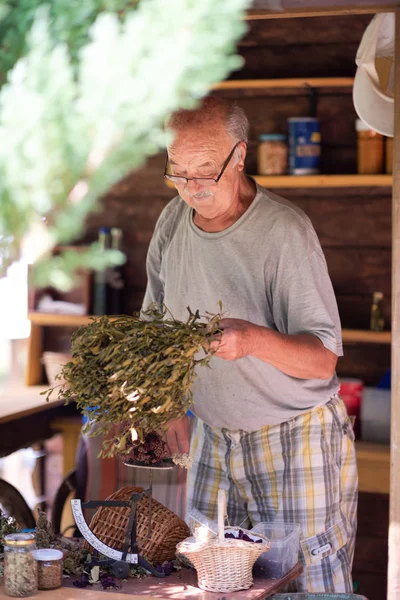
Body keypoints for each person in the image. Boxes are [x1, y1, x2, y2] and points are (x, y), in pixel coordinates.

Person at [142, 97, 358, 593]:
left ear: (239, 156)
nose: (191, 188)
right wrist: (169, 401)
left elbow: (323, 359)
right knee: (211, 582)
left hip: (294, 437)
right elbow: (154, 330)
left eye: (205, 171)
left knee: (307, 580)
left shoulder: (284, 230)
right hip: (213, 437)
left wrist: (253, 340)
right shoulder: (172, 223)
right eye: (178, 172)